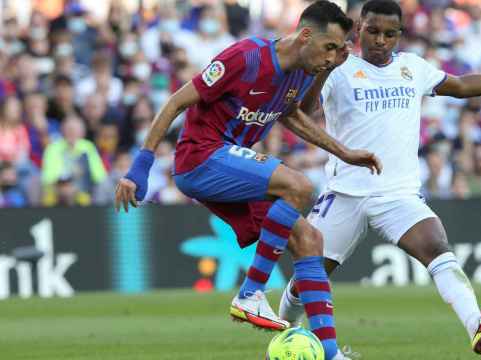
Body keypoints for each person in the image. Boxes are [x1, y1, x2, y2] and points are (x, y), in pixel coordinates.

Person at [278, 0, 481, 355]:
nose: (381, 40)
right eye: (372, 31)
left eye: (389, 33)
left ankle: (476, 324)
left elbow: (461, 86)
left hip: (398, 194)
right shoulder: (339, 68)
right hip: (345, 193)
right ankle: (287, 332)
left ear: (400, 35)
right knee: (308, 275)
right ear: (358, 31)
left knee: (435, 246)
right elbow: (303, 112)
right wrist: (326, 68)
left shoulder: (412, 68)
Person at [114, 2, 380, 359]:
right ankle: (251, 292)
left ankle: (331, 354)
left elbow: (294, 113)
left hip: (232, 169)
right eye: (329, 47)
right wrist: (140, 165)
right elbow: (177, 102)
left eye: (339, 49)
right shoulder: (246, 58)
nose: (333, 56)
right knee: (299, 186)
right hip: (201, 157)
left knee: (310, 239)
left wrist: (344, 151)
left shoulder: (304, 68)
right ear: (304, 35)